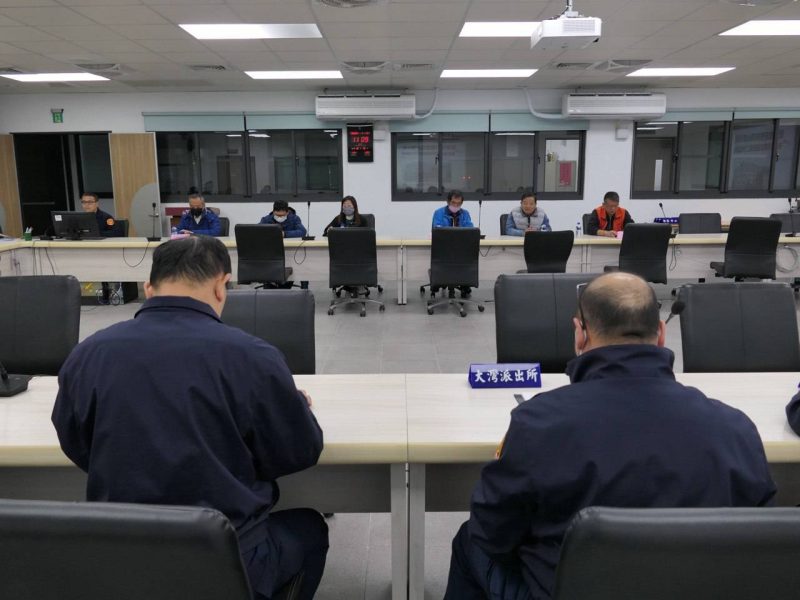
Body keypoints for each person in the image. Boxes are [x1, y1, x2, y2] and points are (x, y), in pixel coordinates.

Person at [444, 272, 776, 600]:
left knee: (469, 540)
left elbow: (492, 532)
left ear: (580, 334)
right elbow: (761, 544)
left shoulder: (539, 423)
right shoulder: (735, 429)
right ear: (661, 334)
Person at [52, 236, 328, 600]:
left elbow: (75, 443)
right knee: (310, 529)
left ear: (149, 289)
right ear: (221, 285)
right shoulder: (253, 357)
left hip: (120, 557)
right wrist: (290, 407)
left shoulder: (88, 354)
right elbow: (299, 451)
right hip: (225, 558)